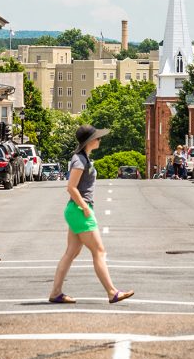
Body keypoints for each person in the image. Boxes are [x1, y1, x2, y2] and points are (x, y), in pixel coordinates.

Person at [49, 125, 134, 305]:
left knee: (71, 253)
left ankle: (55, 292)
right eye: (97, 138)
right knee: (99, 251)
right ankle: (112, 292)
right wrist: (85, 207)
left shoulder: (83, 158)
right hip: (80, 209)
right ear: (89, 141)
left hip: (76, 210)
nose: (99, 140)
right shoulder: (79, 160)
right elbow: (71, 187)